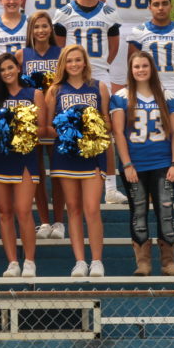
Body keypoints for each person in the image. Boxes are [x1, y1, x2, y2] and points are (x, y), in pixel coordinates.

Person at [52, 0, 124, 203]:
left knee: (104, 129)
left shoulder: (109, 12)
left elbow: (113, 46)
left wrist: (99, 65)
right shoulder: (64, 13)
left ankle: (111, 187)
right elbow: (60, 46)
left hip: (100, 73)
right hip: (72, 73)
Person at [110, 51, 174, 277]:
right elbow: (118, 133)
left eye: (144, 66)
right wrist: (127, 164)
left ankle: (168, 262)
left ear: (152, 68)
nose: (141, 70)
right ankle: (143, 262)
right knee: (139, 212)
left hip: (162, 163)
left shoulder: (168, 97)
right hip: (135, 164)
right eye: (136, 66)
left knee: (166, 211)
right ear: (130, 70)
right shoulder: (121, 97)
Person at [127, 0, 174, 205]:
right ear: (149, 7)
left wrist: (170, 81)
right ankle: (151, 188)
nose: (160, 8)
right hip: (148, 91)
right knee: (150, 140)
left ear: (170, 5)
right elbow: (133, 63)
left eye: (164, 3)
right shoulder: (139, 32)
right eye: (156, 4)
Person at [46, 44, 111, 278]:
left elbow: (108, 122)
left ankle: (97, 261)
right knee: (73, 209)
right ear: (63, 64)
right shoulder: (55, 90)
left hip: (92, 156)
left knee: (92, 209)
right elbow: (47, 126)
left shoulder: (99, 87)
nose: (74, 64)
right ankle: (80, 261)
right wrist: (67, 132)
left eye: (77, 60)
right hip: (66, 157)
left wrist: (92, 130)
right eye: (69, 60)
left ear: (85, 62)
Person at [0, 53, 46, 278]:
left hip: (25, 157)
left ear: (18, 68)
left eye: (10, 67)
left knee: (23, 210)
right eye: (2, 70)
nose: (7, 72)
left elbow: (43, 129)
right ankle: (12, 262)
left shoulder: (34, 94)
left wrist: (21, 128)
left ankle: (29, 260)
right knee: (4, 213)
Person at [20, 10, 65, 240]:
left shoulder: (62, 53)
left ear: (51, 29)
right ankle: (45, 221)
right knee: (36, 171)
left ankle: (59, 221)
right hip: (32, 120)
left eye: (45, 26)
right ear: (30, 30)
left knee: (58, 171)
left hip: (58, 118)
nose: (41, 30)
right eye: (36, 26)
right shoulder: (21, 55)